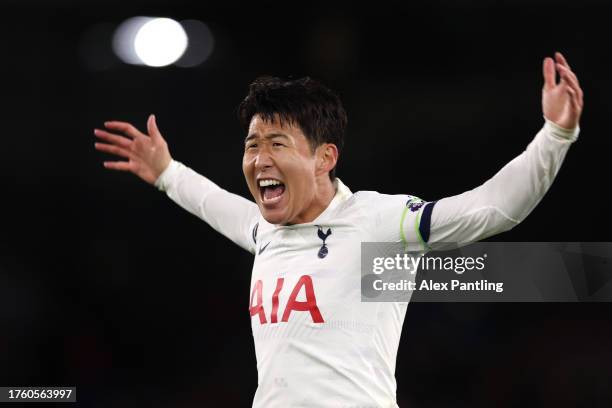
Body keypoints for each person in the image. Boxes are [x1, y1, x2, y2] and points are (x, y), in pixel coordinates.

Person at [93, 52, 583, 407]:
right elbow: (211, 203)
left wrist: (555, 136)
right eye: (251, 144)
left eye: (277, 144)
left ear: (325, 157)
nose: (259, 159)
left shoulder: (380, 223)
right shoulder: (265, 231)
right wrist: (167, 172)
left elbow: (494, 208)